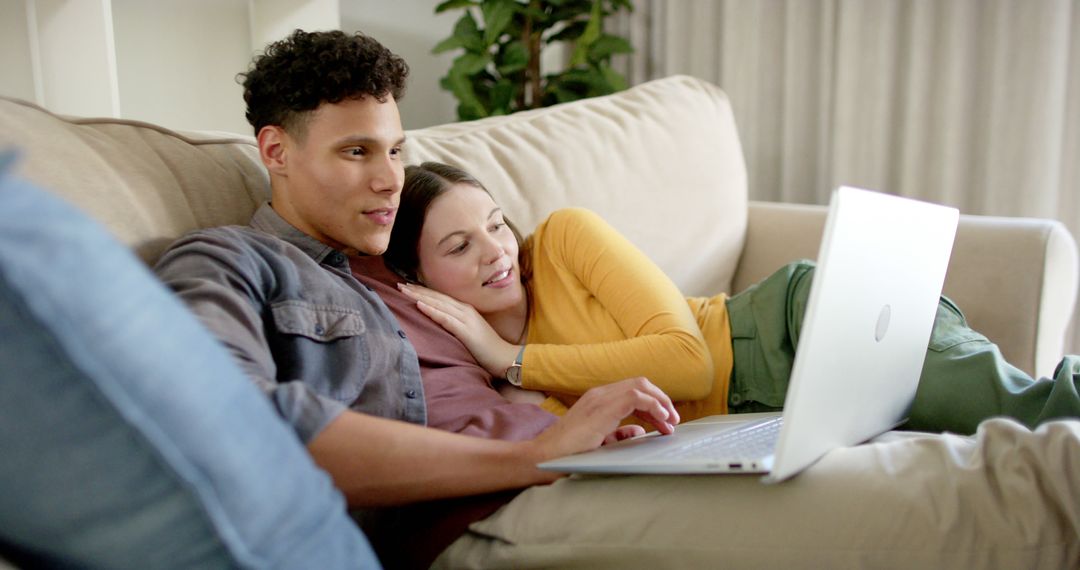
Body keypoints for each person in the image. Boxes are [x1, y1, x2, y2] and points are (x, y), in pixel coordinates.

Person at [152, 29, 677, 567]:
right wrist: (536, 456)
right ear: (276, 150)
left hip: (578, 472)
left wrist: (584, 434)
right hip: (491, 516)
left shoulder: (406, 253)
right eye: (357, 152)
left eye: (396, 151)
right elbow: (233, 422)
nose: (389, 180)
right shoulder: (231, 260)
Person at [385, 161, 1080, 435]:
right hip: (763, 416)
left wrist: (513, 357)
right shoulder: (468, 378)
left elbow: (689, 364)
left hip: (791, 328)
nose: (496, 250)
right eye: (458, 247)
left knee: (1030, 411)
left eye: (496, 223)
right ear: (415, 280)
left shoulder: (564, 240)